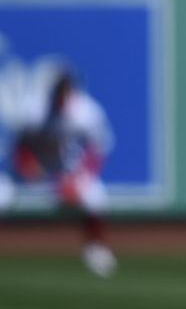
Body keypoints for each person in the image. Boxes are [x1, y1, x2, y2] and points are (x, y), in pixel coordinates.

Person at [10, 69, 117, 277]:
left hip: (67, 173)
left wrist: (78, 178)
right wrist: (27, 167)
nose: (62, 97)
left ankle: (96, 249)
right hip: (34, 175)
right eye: (58, 92)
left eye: (66, 92)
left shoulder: (86, 111)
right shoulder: (34, 110)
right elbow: (19, 146)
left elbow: (98, 148)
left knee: (96, 196)